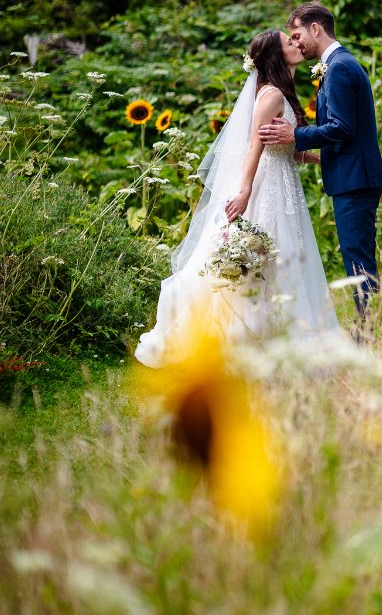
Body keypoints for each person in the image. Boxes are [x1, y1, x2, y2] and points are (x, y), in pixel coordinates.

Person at [134, 29, 343, 372]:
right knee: (267, 259)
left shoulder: (283, 93)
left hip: (283, 181)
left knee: (285, 258)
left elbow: (285, 149)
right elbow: (255, 147)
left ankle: (275, 342)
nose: (296, 43)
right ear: (276, 55)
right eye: (288, 41)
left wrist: (322, 159)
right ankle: (241, 343)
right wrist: (245, 190)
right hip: (265, 187)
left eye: (295, 38)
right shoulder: (271, 95)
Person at [259, 2, 382, 323]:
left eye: (298, 33)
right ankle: (368, 330)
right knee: (357, 261)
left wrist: (296, 135)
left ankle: (368, 334)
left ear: (316, 29)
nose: (297, 42)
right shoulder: (337, 65)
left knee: (358, 265)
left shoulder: (340, 67)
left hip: (355, 181)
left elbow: (343, 128)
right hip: (353, 179)